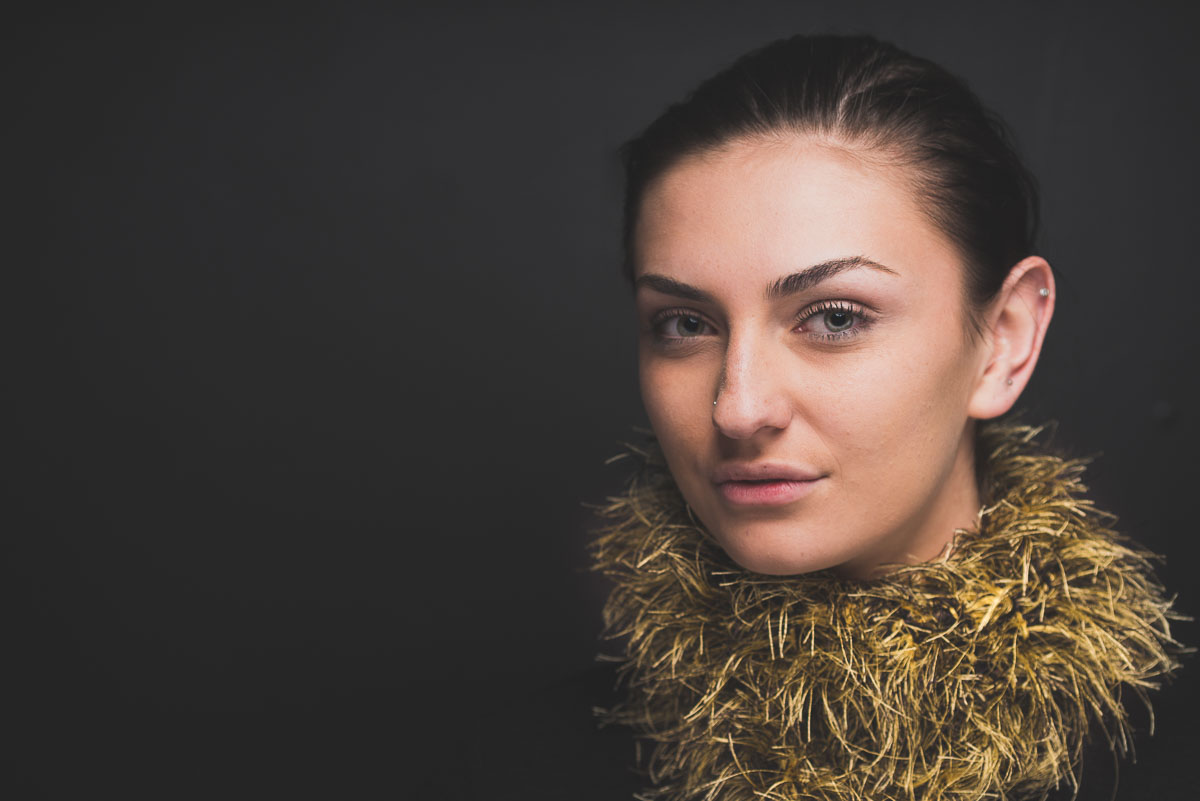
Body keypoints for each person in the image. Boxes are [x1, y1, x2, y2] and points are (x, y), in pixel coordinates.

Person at [591, 34, 1184, 801]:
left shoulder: (1165, 759)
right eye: (683, 324)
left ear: (1002, 341)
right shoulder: (511, 763)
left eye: (834, 318)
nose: (738, 408)